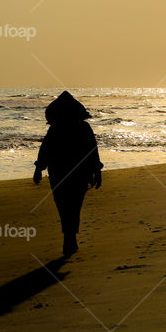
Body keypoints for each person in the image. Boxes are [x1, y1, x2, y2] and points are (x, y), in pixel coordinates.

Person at [34, 91, 102, 256]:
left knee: (62, 203)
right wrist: (97, 171)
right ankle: (70, 235)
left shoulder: (55, 129)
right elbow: (93, 150)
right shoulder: (83, 127)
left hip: (59, 171)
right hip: (80, 172)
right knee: (74, 204)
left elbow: (45, 150)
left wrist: (38, 169)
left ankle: (68, 234)